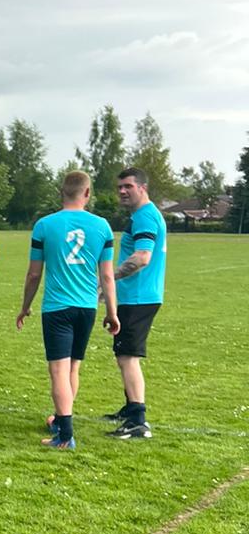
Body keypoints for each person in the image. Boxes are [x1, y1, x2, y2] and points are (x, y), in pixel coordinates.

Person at [16, 170, 120, 450]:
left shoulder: (44, 226)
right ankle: (61, 421)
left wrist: (25, 307)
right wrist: (112, 312)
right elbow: (107, 276)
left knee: (58, 370)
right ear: (87, 193)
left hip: (57, 307)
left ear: (61, 192)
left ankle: (65, 435)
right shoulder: (102, 226)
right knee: (73, 367)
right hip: (87, 307)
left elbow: (34, 274)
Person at [102, 167, 167, 440]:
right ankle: (130, 408)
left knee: (128, 357)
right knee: (124, 355)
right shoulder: (143, 215)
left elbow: (142, 257)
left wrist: (109, 278)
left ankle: (138, 420)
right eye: (120, 187)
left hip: (139, 297)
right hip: (137, 295)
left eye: (128, 186)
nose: (122, 191)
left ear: (143, 187)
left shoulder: (145, 217)